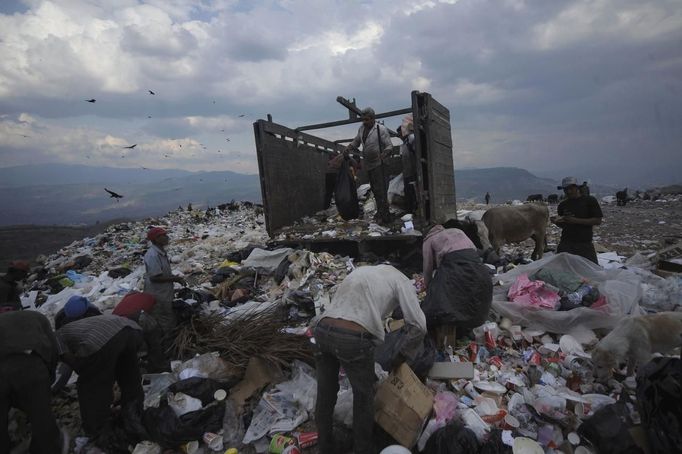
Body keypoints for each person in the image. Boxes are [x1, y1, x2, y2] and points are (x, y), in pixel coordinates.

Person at [313, 265, 426, 454]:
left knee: (326, 393)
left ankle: (325, 446)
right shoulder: (401, 281)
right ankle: (362, 449)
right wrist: (401, 356)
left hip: (322, 330)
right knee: (363, 396)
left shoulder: (361, 272)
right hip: (353, 338)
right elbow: (419, 325)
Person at [56, 314, 144, 438]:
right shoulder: (75, 328)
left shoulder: (55, 338)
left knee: (90, 386)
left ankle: (97, 431)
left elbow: (73, 362)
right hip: (132, 330)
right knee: (129, 376)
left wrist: (88, 374)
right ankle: (135, 415)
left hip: (103, 338)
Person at [0, 310, 68, 454]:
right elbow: (53, 348)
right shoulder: (36, 317)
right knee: (41, 416)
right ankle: (46, 449)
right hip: (28, 365)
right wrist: (49, 377)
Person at [421, 225, 493, 346]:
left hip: (454, 265)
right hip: (476, 266)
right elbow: (473, 249)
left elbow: (427, 268)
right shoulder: (457, 231)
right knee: (470, 296)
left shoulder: (429, 240)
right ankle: (466, 327)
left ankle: (447, 333)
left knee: (443, 302)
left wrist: (429, 291)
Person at [347, 108, 394, 224]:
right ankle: (381, 212)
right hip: (369, 165)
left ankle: (385, 216)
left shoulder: (381, 129)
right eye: (363, 120)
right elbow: (356, 141)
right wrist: (348, 148)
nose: (365, 122)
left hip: (380, 164)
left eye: (367, 119)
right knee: (375, 190)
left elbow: (389, 146)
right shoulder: (361, 129)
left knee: (382, 190)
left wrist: (384, 154)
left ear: (373, 119)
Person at [143, 227, 185, 334]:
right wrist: (175, 279)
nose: (167, 237)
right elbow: (155, 277)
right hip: (158, 295)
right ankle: (167, 344)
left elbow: (163, 272)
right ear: (156, 239)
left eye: (166, 234)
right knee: (164, 320)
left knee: (167, 317)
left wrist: (175, 279)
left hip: (164, 293)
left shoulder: (161, 252)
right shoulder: (153, 255)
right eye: (163, 235)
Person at [552, 177, 603, 264]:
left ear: (577, 187)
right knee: (561, 271)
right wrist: (557, 222)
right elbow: (564, 225)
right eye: (565, 189)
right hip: (566, 243)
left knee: (591, 273)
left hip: (584, 243)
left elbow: (598, 220)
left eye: (571, 188)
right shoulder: (563, 205)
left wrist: (575, 220)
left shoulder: (589, 201)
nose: (568, 192)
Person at [113, 291, 167, 372]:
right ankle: (158, 365)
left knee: (128, 344)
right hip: (138, 316)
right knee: (154, 340)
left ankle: (135, 364)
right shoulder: (149, 297)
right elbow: (155, 317)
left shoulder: (127, 299)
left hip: (117, 321)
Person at [398, 115, 418, 214]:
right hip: (407, 173)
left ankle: (413, 211)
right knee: (409, 193)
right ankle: (410, 212)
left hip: (412, 173)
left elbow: (416, 154)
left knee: (413, 194)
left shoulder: (411, 138)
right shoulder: (405, 142)